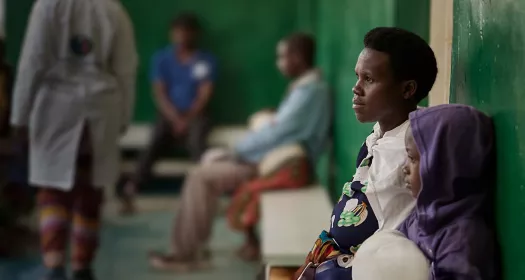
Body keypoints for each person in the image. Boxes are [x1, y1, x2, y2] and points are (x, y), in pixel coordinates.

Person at [148, 32, 331, 272]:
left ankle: (185, 254)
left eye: (283, 56)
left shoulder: (310, 91)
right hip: (276, 160)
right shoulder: (306, 88)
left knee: (200, 177)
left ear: (297, 58)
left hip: (284, 166)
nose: (280, 63)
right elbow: (283, 128)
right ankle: (193, 246)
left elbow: (277, 133)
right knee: (203, 173)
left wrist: (232, 152)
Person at [293, 27, 438, 280]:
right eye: (357, 77)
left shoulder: (411, 151)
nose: (356, 88)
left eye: (369, 80)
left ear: (407, 89)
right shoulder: (379, 135)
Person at [10, 0, 137, 279]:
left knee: (53, 190)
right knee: (90, 189)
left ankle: (54, 265)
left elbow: (33, 62)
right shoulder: (113, 9)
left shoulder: (47, 6)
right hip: (102, 109)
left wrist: (19, 116)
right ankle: (82, 267)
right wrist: (124, 118)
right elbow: (126, 71)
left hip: (56, 108)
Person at [120, 13, 216, 214]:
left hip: (196, 114)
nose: (182, 36)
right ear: (172, 34)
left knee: (198, 143)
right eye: (178, 32)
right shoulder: (162, 59)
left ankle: (206, 193)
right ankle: (132, 189)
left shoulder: (205, 60)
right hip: (168, 113)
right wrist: (174, 118)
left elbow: (205, 93)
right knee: (155, 140)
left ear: (195, 34)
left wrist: (187, 118)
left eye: (187, 32)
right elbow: (159, 92)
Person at [399, 104, 497, 279]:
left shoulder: (462, 241)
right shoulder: (420, 217)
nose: (404, 167)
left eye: (413, 158)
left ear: (443, 166)